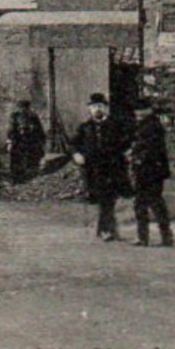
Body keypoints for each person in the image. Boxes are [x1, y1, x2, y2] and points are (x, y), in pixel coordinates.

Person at [70, 94, 129, 241]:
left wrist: (126, 152)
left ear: (106, 109)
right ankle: (106, 229)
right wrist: (77, 154)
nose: (97, 109)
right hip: (92, 170)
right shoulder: (84, 128)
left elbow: (127, 142)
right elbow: (74, 144)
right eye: (94, 107)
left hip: (112, 168)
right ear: (90, 109)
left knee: (107, 199)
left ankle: (106, 230)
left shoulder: (116, 126)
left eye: (101, 106)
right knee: (102, 200)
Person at [128, 99, 173, 247]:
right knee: (147, 203)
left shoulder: (151, 126)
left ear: (148, 110)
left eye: (141, 110)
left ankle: (154, 237)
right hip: (149, 170)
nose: (138, 113)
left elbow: (149, 148)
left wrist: (136, 156)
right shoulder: (147, 124)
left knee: (151, 202)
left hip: (151, 170)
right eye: (137, 111)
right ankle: (154, 237)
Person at [6, 99, 46, 185]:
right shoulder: (23, 115)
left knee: (24, 159)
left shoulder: (28, 116)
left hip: (25, 141)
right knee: (20, 159)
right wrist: (10, 141)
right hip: (21, 141)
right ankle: (20, 178)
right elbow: (11, 129)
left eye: (24, 107)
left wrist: (10, 140)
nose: (23, 109)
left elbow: (11, 129)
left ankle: (22, 178)